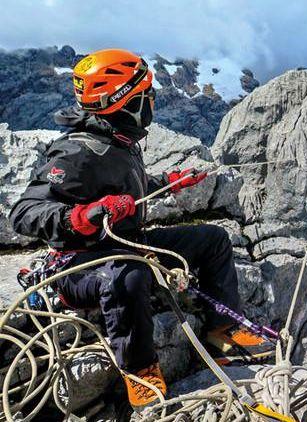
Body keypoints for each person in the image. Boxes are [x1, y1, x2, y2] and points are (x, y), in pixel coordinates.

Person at [9, 49, 271, 411]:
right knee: (129, 276)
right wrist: (84, 216)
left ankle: (221, 331)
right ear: (124, 101)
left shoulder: (119, 141)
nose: (152, 102)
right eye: (146, 96)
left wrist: (171, 182)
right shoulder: (76, 152)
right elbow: (24, 212)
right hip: (79, 264)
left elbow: (127, 185)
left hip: (127, 243)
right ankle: (139, 368)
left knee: (213, 240)